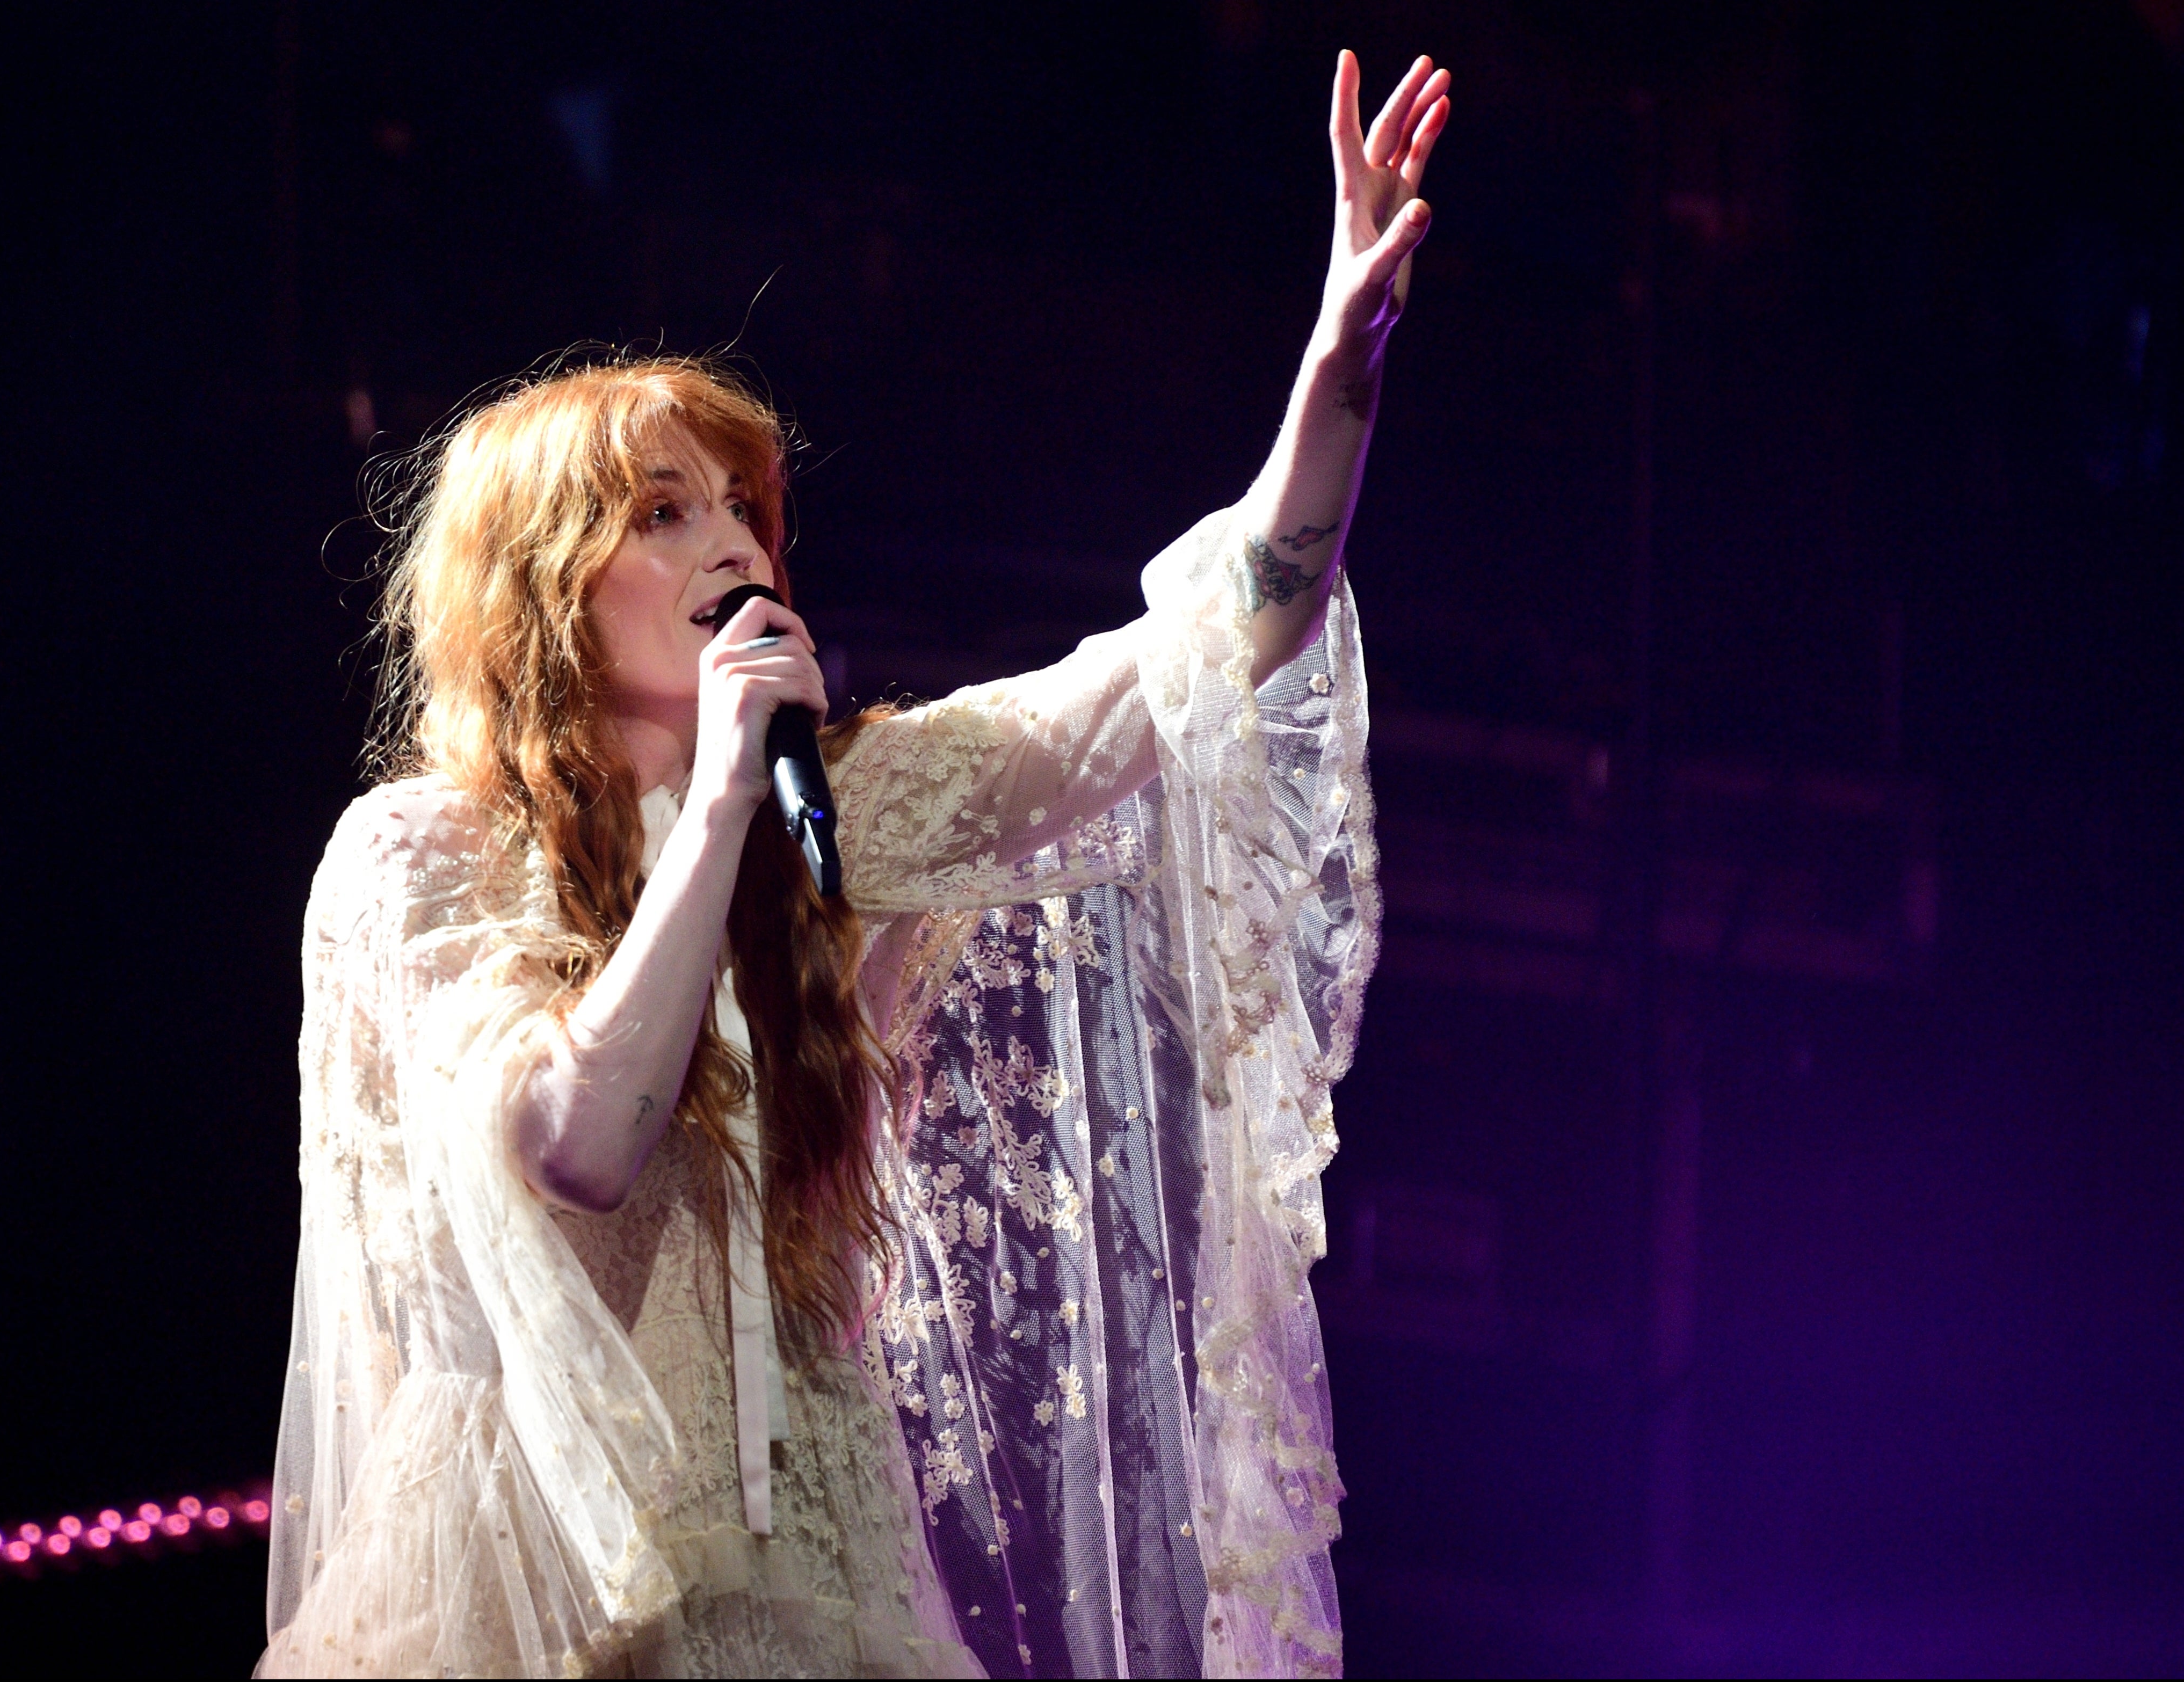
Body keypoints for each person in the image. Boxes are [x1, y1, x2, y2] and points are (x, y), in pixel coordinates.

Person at [258, 49, 1448, 1680]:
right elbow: (575, 1142)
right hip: (542, 1580)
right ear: (542, 589)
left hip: (816, 1581)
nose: (735, 542)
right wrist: (729, 808)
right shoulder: (427, 852)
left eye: (741, 507)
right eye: (663, 514)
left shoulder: (847, 811)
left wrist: (1339, 362)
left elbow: (1191, 658)